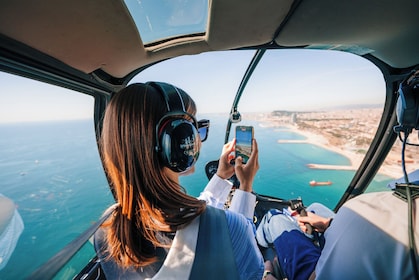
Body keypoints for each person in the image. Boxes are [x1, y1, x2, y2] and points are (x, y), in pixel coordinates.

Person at [96, 82, 264, 279]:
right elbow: (250, 264)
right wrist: (245, 186)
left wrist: (220, 178)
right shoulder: (231, 227)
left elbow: (191, 221)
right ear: (177, 140)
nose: (198, 138)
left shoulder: (107, 228)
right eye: (194, 130)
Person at [257, 192, 419, 279]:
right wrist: (329, 225)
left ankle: (258, 243)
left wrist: (267, 275)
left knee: (274, 218)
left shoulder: (366, 204)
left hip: (314, 275)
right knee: (315, 208)